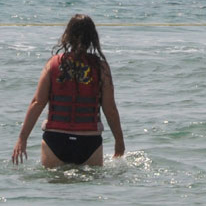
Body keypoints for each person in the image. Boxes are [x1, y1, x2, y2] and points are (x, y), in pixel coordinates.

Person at [11, 14, 125, 168]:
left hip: (55, 140)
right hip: (89, 142)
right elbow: (110, 109)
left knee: (55, 189)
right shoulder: (101, 67)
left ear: (68, 36)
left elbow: (37, 103)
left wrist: (22, 139)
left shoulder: (52, 65)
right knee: (90, 189)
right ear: (92, 38)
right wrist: (119, 141)